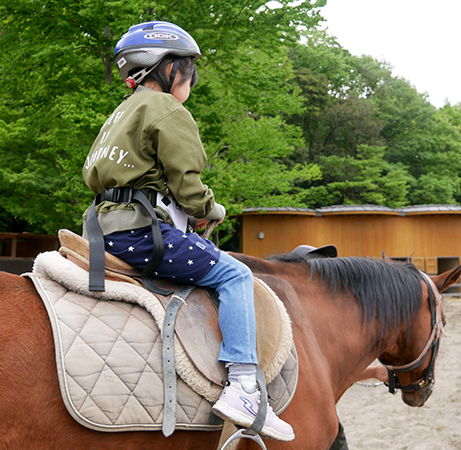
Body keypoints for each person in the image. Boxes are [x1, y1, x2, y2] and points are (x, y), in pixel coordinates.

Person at [81, 21, 294, 442]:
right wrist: (209, 209)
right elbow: (188, 186)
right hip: (140, 232)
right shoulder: (166, 109)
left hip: (100, 230)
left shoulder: (119, 114)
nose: (191, 80)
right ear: (168, 69)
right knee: (235, 275)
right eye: (189, 69)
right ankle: (244, 387)